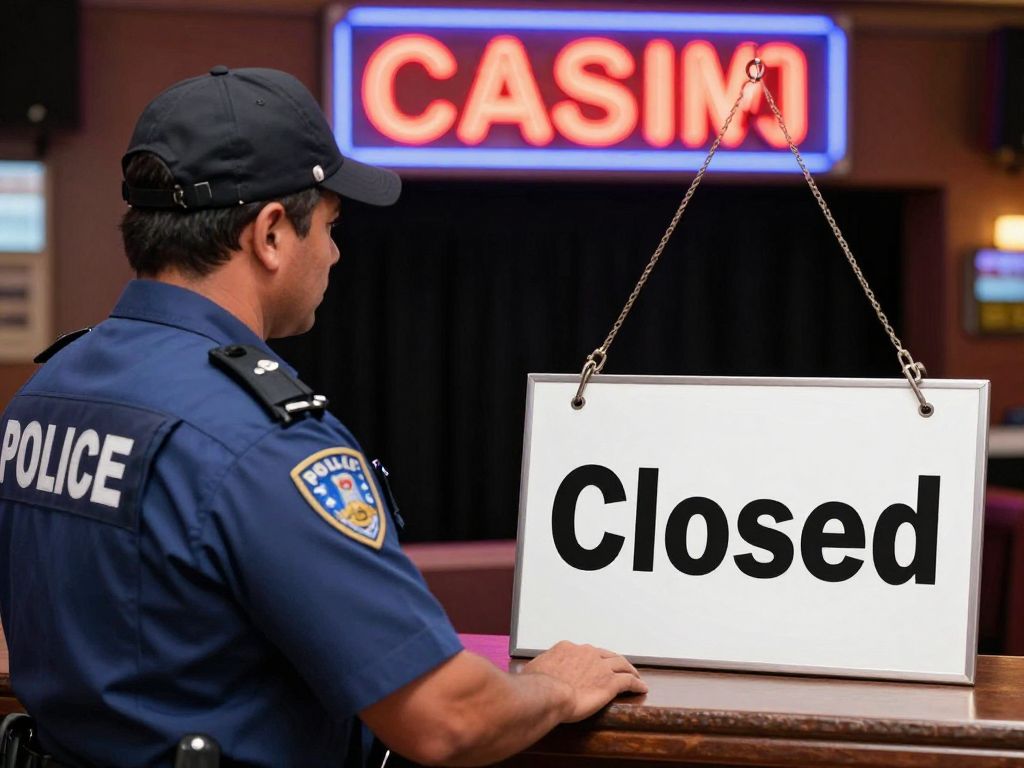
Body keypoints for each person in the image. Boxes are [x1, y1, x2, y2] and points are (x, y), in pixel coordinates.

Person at [0, 66, 646, 767]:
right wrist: (552, 685)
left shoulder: (49, 391)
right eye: (331, 227)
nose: (334, 253)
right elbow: (447, 718)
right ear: (271, 233)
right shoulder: (256, 438)